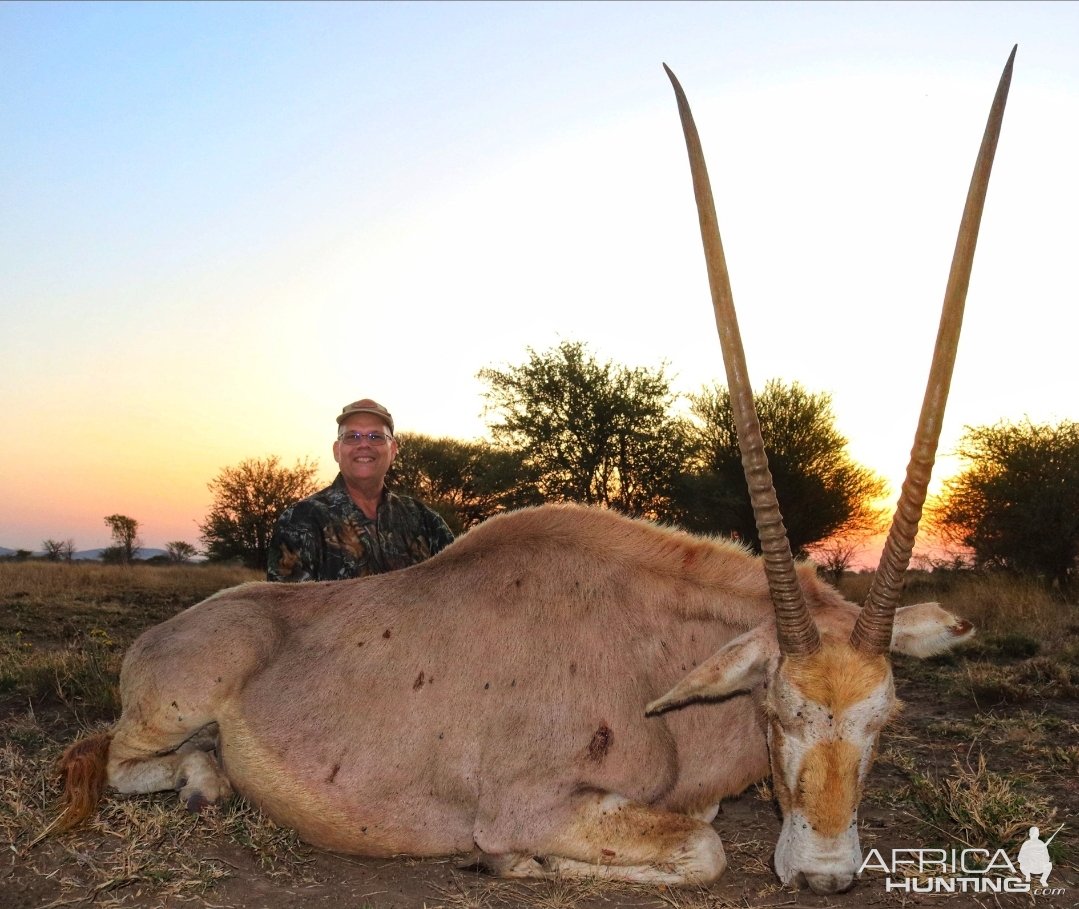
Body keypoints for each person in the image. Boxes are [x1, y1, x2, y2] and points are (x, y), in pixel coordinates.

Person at [267, 398, 454, 582]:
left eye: (376, 437)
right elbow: (284, 608)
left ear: (393, 450)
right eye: (352, 437)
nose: (364, 444)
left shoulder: (426, 521)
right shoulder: (300, 521)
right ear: (337, 451)